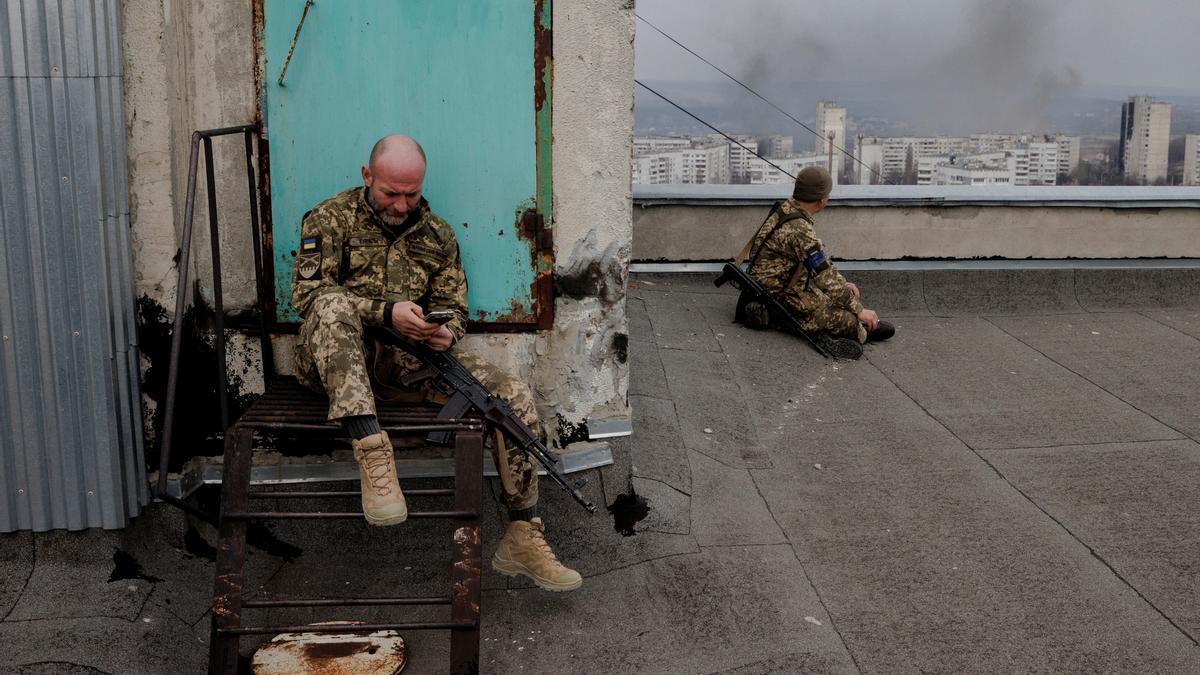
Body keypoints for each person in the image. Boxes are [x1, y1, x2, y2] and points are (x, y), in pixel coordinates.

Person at [290, 134, 581, 592]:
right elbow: (306, 297)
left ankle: (523, 533)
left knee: (511, 395)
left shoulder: (438, 234)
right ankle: (372, 454)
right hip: (335, 362)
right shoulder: (328, 218)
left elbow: (455, 306)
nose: (402, 205)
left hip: (408, 361)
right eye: (391, 193)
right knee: (331, 306)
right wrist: (385, 313)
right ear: (368, 177)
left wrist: (445, 330)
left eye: (412, 193)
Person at [741, 165, 894, 352]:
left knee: (841, 297)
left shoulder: (786, 208)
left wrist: (843, 286)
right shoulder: (800, 230)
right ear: (822, 200)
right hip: (778, 298)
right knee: (849, 320)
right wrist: (859, 311)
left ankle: (857, 322)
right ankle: (860, 331)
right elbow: (824, 275)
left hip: (774, 286)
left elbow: (820, 267)